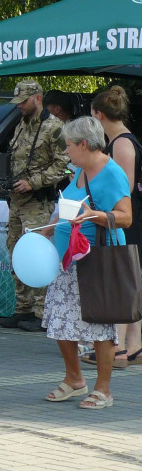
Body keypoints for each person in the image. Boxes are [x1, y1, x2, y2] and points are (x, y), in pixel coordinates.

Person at [42, 117, 132, 410]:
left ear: (83, 144)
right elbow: (68, 205)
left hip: (97, 259)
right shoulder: (80, 169)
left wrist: (93, 215)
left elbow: (125, 217)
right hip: (68, 258)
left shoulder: (111, 172)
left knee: (100, 323)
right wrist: (50, 227)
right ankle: (74, 379)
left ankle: (103, 389)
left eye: (68, 146)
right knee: (60, 319)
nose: (66, 151)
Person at [0, 80, 67, 332]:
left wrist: (34, 182)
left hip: (38, 202)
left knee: (37, 255)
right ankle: (23, 308)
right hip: (17, 202)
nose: (20, 107)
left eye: (24, 101)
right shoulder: (21, 125)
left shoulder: (54, 128)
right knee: (16, 252)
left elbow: (64, 165)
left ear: (38, 98)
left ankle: (41, 312)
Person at [88, 86, 142, 366]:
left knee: (122, 281)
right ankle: (133, 346)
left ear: (99, 115)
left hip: (128, 219)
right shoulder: (120, 140)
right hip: (128, 216)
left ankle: (119, 348)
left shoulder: (121, 143)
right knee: (130, 281)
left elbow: (125, 188)